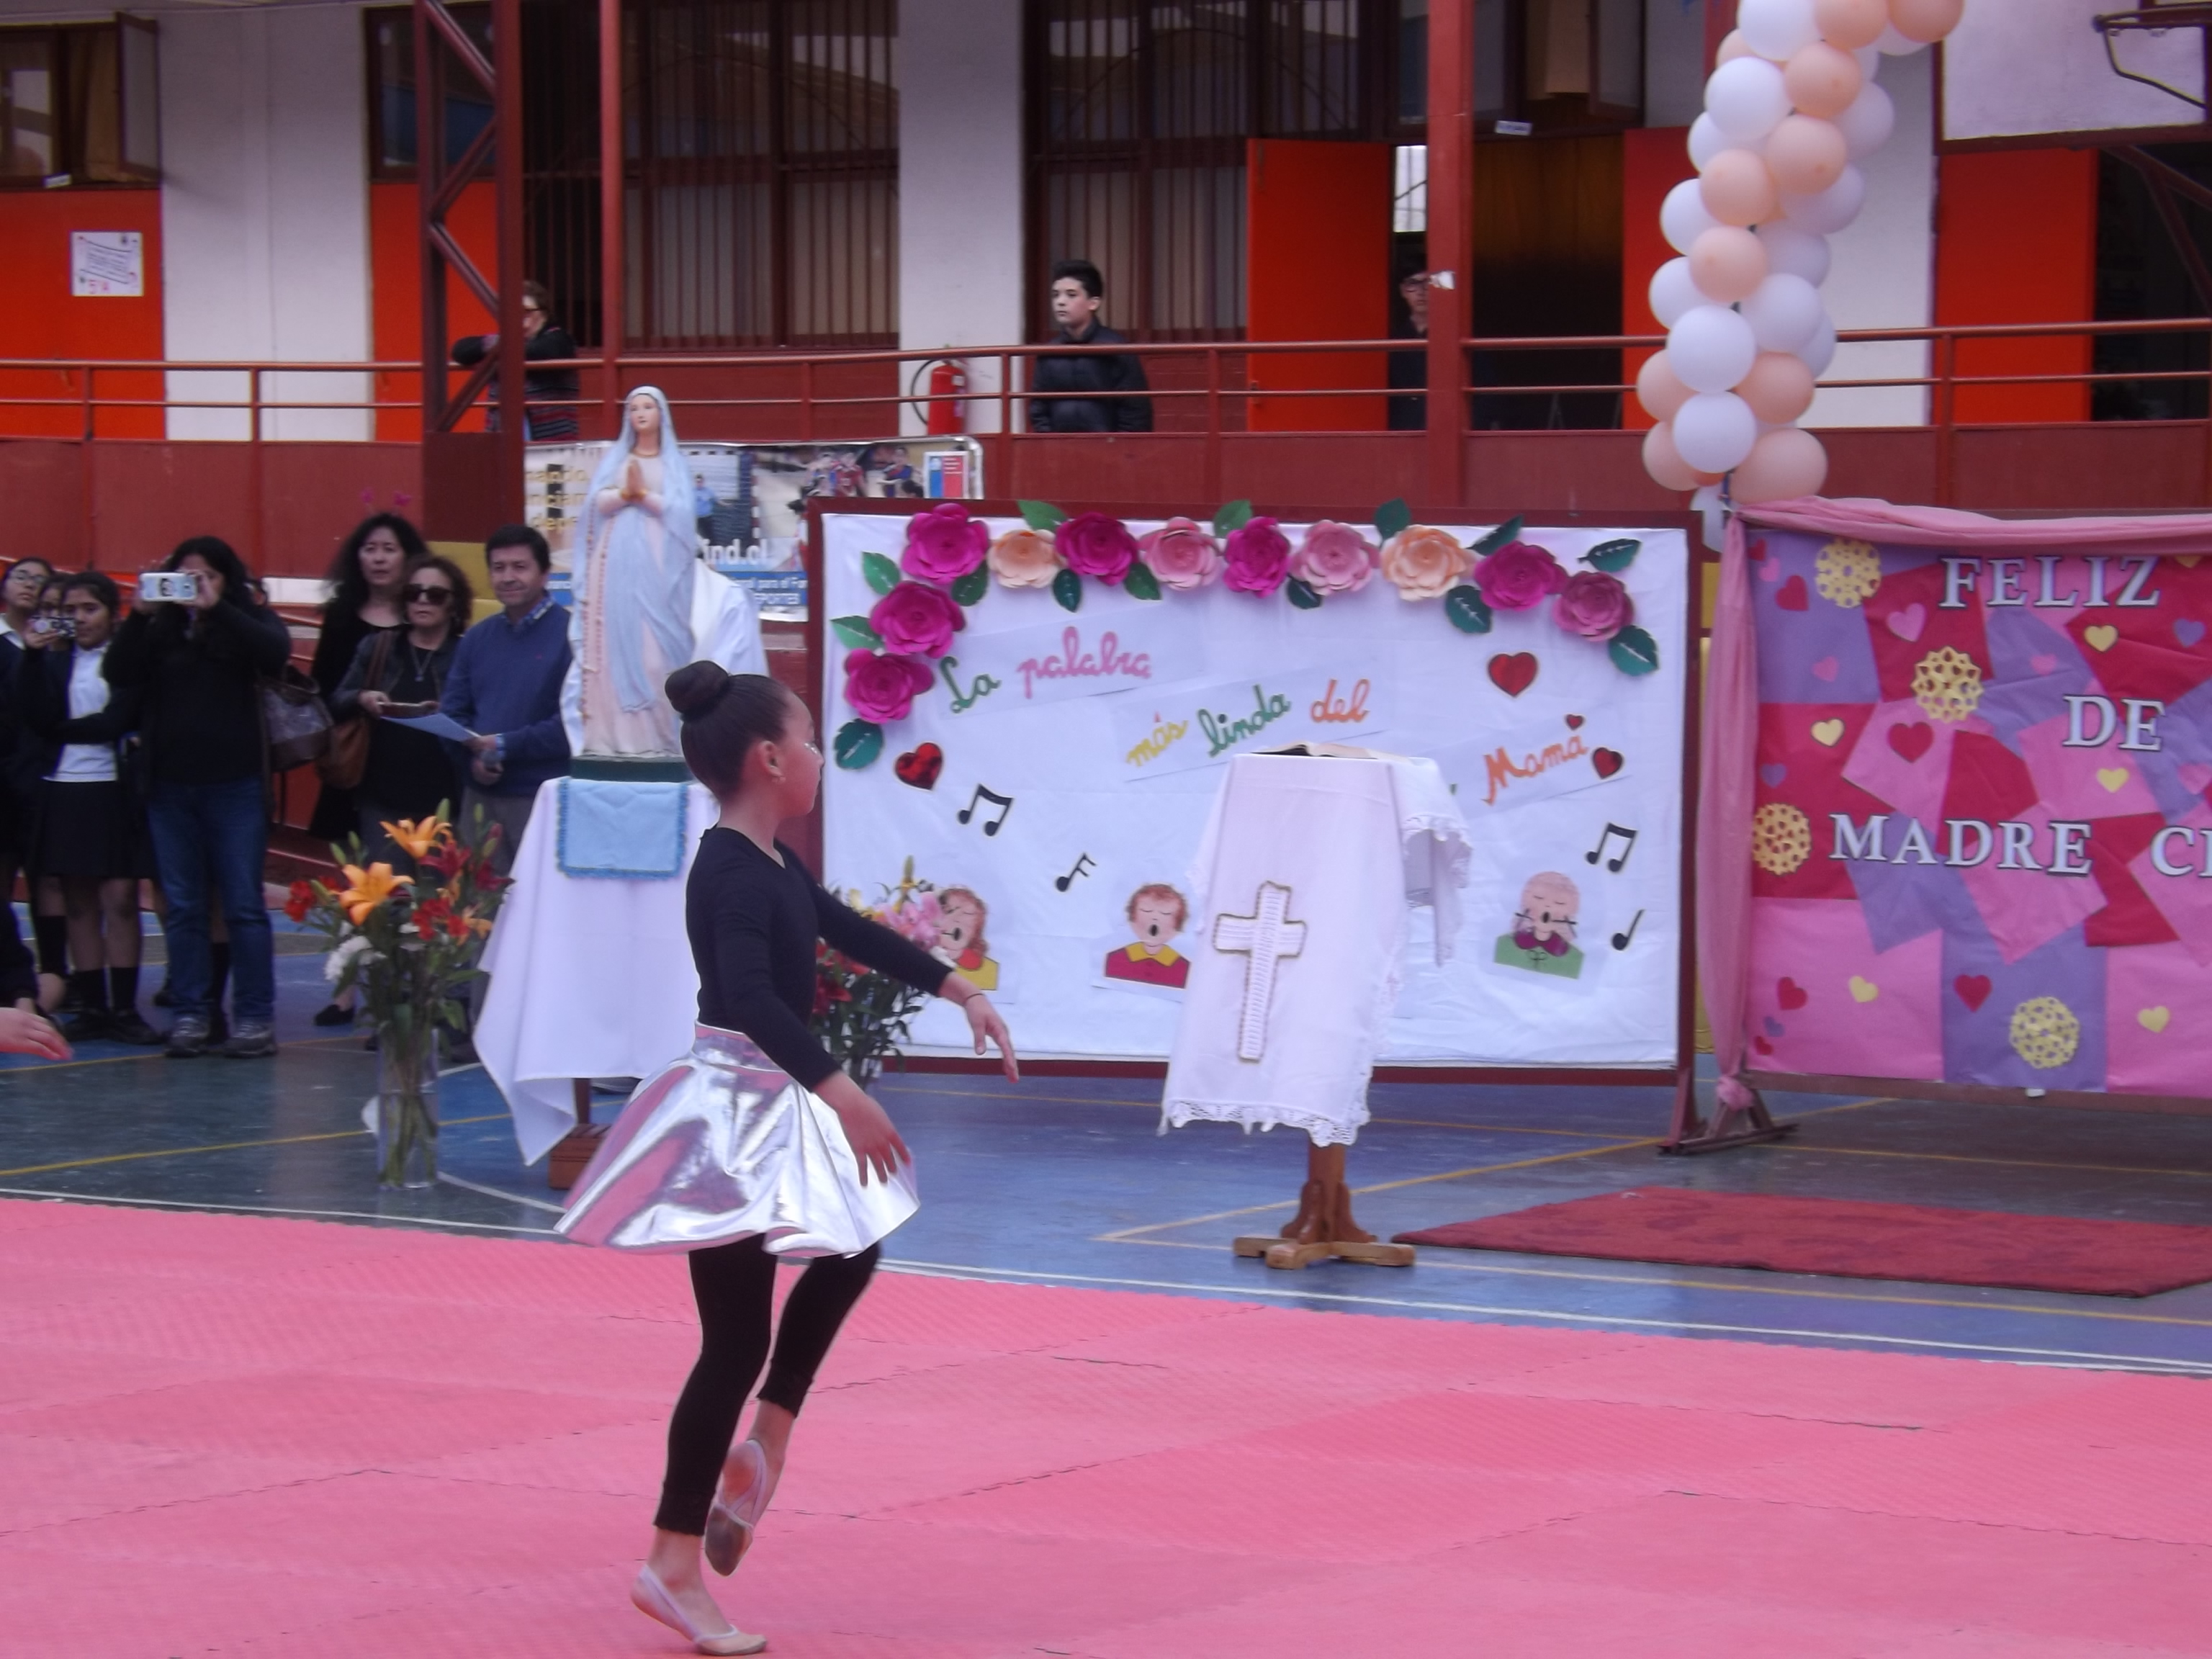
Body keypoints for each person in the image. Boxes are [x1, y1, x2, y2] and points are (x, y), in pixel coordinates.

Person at [562, 665, 1017, 1656]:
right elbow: (751, 998)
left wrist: (961, 989)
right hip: (735, 1113)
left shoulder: (771, 861)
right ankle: (672, 1560)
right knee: (732, 1343)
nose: (817, 755)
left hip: (773, 1100)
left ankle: (765, 1442)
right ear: (771, 760)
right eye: (809, 739)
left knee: (857, 1240)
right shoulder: (726, 870)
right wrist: (844, 1094)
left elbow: (845, 931)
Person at [105, 536, 293, 1059]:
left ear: (226, 579)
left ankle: (255, 1018)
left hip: (235, 786)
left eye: (205, 576)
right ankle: (192, 1012)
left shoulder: (246, 619)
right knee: (184, 906)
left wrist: (219, 608)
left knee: (243, 905)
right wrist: (139, 614)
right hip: (170, 788)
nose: (194, 587)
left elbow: (275, 652)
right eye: (185, 577)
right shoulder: (160, 630)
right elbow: (117, 673)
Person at [16, 572, 159, 1045]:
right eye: (71, 610)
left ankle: (125, 1007)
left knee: (120, 898)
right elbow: (35, 716)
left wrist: (63, 730)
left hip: (112, 787)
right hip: (64, 786)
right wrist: (32, 655)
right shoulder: (53, 660)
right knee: (77, 902)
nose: (79, 619)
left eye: (89, 609)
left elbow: (115, 720)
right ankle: (94, 1006)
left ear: (112, 613)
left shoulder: (124, 659)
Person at [574, 387, 701, 757]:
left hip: (658, 565)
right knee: (613, 646)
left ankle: (657, 740)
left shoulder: (673, 464)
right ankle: (612, 739)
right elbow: (594, 506)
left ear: (662, 414)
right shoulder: (618, 459)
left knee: (654, 654)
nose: (641, 413)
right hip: (615, 563)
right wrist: (623, 495)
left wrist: (643, 495)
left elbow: (682, 515)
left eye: (648, 407)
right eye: (633, 408)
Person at [439, 524, 571, 876]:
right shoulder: (476, 639)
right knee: (476, 904)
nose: (508, 577)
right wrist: (474, 762)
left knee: (539, 901)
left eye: (520, 567)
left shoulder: (574, 637)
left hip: (542, 800)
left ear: (545, 573)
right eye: (498, 568)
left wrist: (503, 746)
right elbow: (452, 713)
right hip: (479, 800)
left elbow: (573, 724)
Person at [331, 554, 473, 866]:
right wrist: (363, 697)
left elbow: (484, 718)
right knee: (386, 891)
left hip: (446, 801)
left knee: (440, 893)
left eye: (435, 595)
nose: (422, 601)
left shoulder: (468, 652)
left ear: (454, 604)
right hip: (382, 800)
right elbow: (337, 700)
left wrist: (451, 715)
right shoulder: (378, 646)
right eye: (413, 593)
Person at [0, 557, 58, 1010]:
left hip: (43, 775)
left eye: (40, 579)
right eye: (22, 575)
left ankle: (50, 975)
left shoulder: (56, 643)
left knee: (49, 884)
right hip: (2, 776)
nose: (30, 585)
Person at [1028, 259, 1154, 434]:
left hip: (1107, 446)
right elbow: (1038, 408)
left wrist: (1118, 446)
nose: (1060, 302)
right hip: (1059, 447)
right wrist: (1050, 440)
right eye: (1055, 295)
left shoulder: (1116, 349)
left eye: (1071, 295)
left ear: (1093, 303)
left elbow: (1135, 411)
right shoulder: (1049, 353)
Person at [451, 279, 581, 441]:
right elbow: (459, 351)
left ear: (544, 313)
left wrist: (498, 346)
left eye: (526, 311)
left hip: (552, 441)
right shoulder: (504, 342)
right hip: (504, 436)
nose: (520, 319)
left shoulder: (559, 339)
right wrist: (500, 343)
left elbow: (539, 351)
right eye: (513, 312)